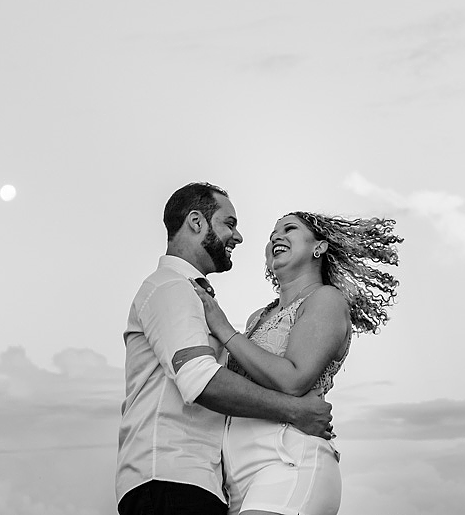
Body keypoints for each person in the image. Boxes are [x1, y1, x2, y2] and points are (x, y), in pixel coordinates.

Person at [117, 183, 334, 515]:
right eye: (228, 223)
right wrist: (295, 411)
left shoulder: (196, 297)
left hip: (213, 480)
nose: (239, 237)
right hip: (171, 478)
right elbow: (200, 379)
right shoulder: (172, 288)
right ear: (196, 222)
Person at [191, 210, 402, 515]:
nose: (277, 236)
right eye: (272, 234)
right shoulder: (257, 318)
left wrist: (223, 328)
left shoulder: (326, 300)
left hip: (289, 461)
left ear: (319, 247)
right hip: (235, 479)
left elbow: (294, 380)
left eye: (289, 229)